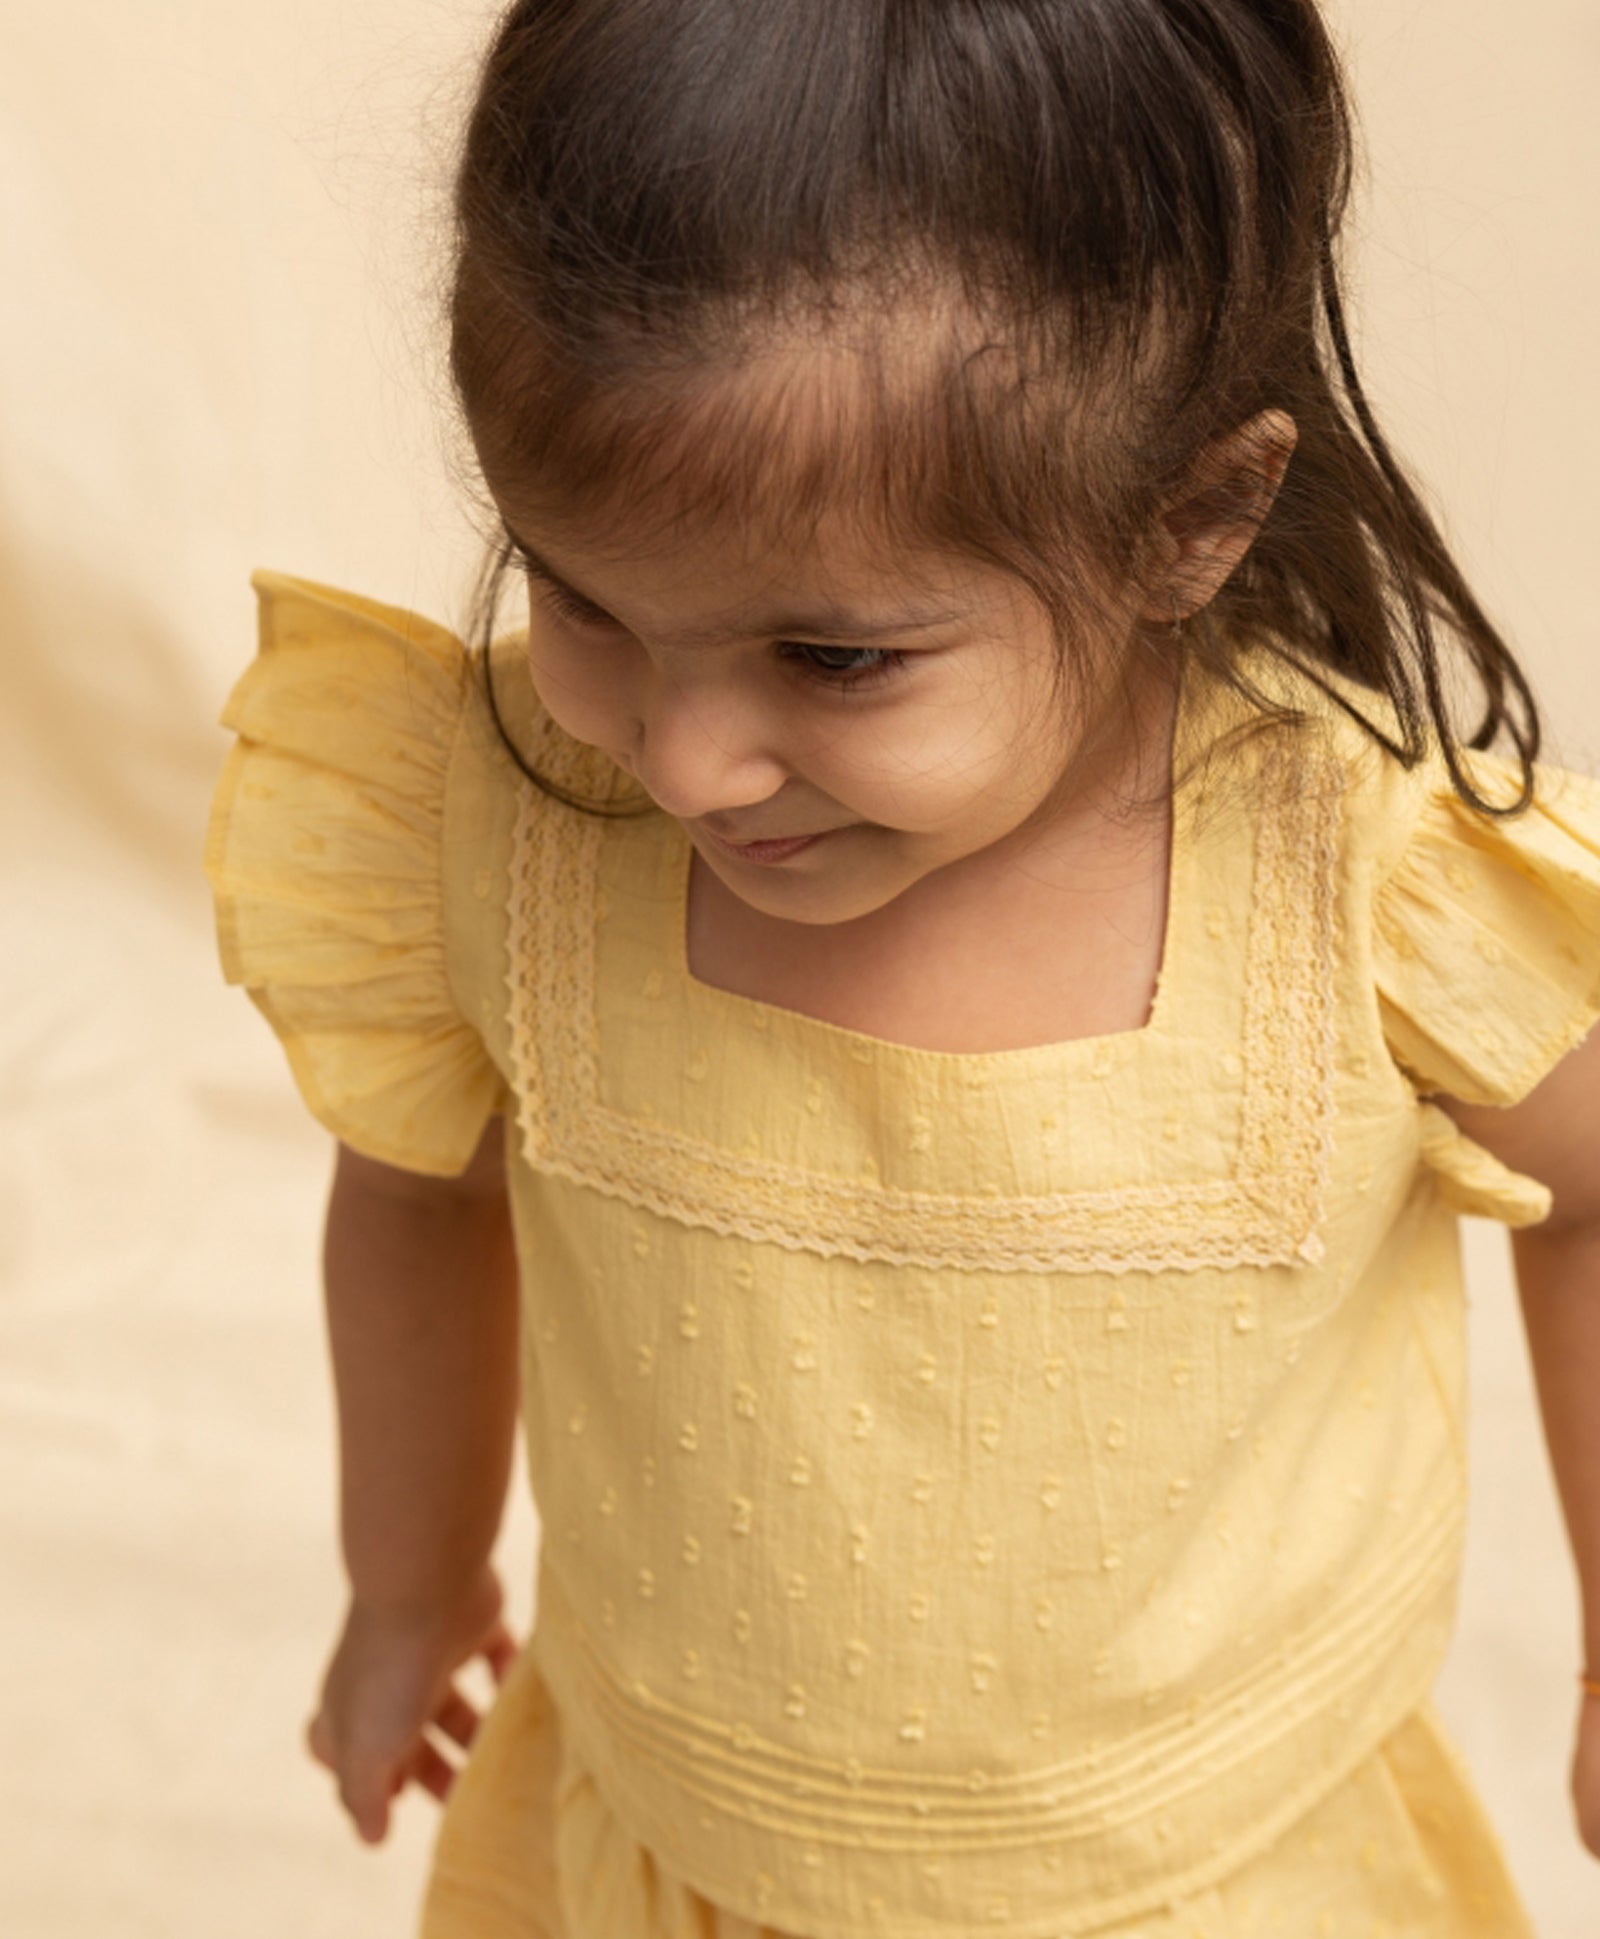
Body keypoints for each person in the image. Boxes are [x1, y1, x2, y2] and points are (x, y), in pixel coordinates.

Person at [202, 2, 1600, 1933]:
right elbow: (419, 1200)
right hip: (666, 1849)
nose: (685, 761)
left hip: (1209, 1878)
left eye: (837, 659)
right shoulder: (501, 825)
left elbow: (1597, 1199)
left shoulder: (1361, 879)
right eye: (585, 596)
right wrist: (406, 1587)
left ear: (1190, 522)